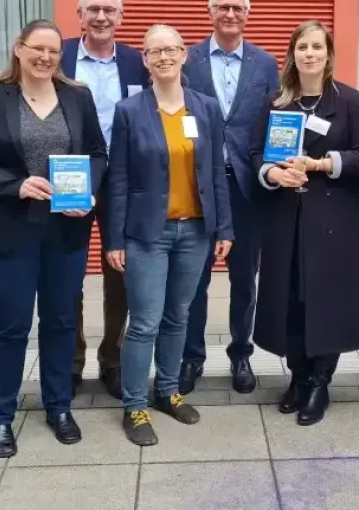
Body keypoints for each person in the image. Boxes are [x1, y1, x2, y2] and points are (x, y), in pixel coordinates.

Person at [0, 19, 108, 458]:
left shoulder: (78, 98)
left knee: (62, 320)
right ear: (18, 49)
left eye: (53, 52)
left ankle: (58, 407)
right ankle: (1, 416)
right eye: (36, 49)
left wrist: (89, 190)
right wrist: (15, 185)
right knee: (10, 323)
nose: (45, 58)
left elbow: (98, 154)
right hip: (10, 226)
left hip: (66, 227)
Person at [106, 24, 233, 446]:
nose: (163, 57)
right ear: (144, 59)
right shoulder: (130, 111)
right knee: (144, 321)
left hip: (196, 230)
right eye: (154, 51)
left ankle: (167, 391)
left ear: (184, 56)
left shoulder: (207, 108)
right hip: (147, 233)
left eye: (171, 50)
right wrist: (115, 239)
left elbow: (216, 171)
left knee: (178, 316)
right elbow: (118, 179)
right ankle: (134, 405)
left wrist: (224, 226)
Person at [251, 20, 359, 426]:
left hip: (333, 222)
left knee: (328, 301)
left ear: (328, 55)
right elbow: (256, 155)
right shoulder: (275, 104)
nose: (309, 54)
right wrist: (273, 174)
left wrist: (321, 163)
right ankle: (299, 376)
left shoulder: (351, 102)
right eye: (302, 46)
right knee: (292, 299)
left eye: (316, 47)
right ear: (292, 54)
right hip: (286, 219)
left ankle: (321, 382)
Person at [180, 0, 279, 395]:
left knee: (244, 278)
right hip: (197, 185)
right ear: (210, 12)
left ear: (247, 13)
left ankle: (241, 353)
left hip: (245, 188)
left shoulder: (265, 64)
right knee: (194, 278)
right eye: (223, 7)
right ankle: (191, 357)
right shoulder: (189, 60)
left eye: (237, 8)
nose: (230, 15)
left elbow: (275, 124)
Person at [60, 0, 149, 400]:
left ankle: (112, 360)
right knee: (68, 272)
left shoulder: (136, 62)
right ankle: (70, 362)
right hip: (70, 177)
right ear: (79, 16)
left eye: (109, 11)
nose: (100, 17)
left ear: (120, 17)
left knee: (120, 274)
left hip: (123, 179)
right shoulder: (56, 56)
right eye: (92, 10)